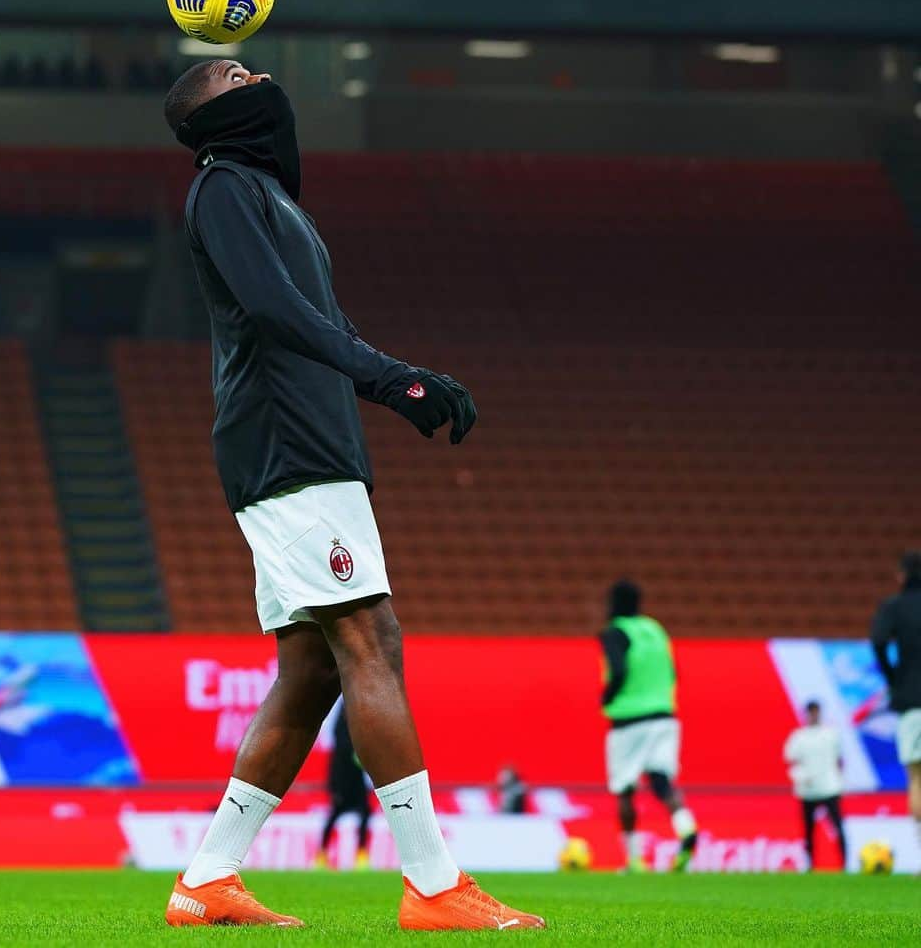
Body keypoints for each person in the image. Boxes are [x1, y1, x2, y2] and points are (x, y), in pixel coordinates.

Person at [160, 59, 543, 930]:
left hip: (305, 436)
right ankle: (435, 885)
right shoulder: (222, 187)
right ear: (211, 117)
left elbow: (311, 314)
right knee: (371, 636)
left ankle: (207, 879)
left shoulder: (268, 195)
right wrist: (387, 379)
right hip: (284, 439)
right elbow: (270, 308)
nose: (258, 73)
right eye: (233, 72)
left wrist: (395, 375)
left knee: (310, 670)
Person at [599, 579, 698, 873]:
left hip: (630, 720)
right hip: (665, 716)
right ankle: (686, 826)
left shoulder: (614, 631)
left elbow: (618, 670)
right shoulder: (656, 630)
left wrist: (607, 696)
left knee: (625, 789)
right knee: (662, 782)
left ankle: (634, 859)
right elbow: (674, 671)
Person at [871, 549, 921, 863]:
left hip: (913, 701)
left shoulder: (895, 607)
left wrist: (894, 679)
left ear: (902, 576)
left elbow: (877, 641)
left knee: (917, 778)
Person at [783, 700, 847, 870]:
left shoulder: (830, 734)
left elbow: (840, 760)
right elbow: (790, 760)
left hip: (830, 788)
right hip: (808, 790)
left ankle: (844, 864)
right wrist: (800, 777)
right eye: (810, 712)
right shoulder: (798, 737)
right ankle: (810, 865)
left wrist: (839, 780)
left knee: (838, 827)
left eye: (816, 712)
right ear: (806, 714)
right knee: (809, 830)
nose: (813, 715)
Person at [315, 698, 371, 870]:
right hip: (342, 781)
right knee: (334, 816)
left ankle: (361, 855)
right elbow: (337, 761)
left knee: (365, 814)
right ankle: (322, 856)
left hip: (357, 781)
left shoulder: (359, 731)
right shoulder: (340, 739)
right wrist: (334, 787)